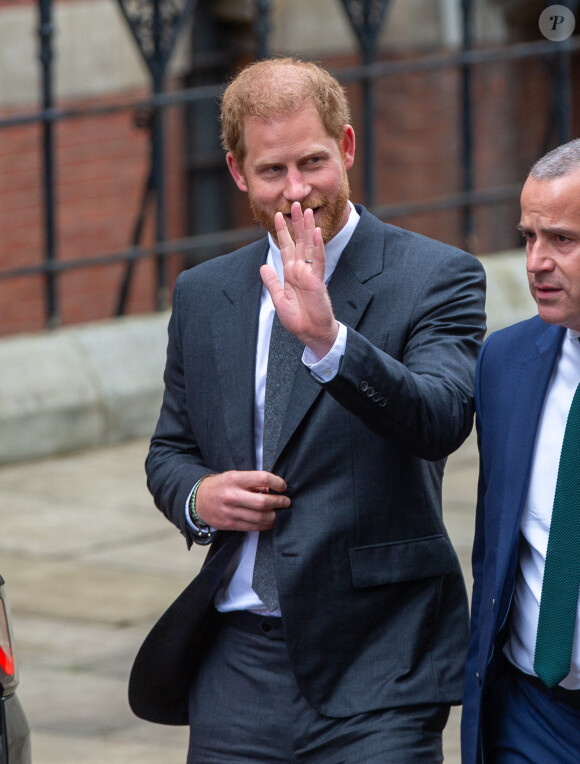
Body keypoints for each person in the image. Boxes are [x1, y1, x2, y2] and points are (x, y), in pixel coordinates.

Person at [129, 57, 486, 763]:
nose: (298, 191)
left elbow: (441, 419)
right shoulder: (204, 295)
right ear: (237, 172)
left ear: (347, 148)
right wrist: (200, 495)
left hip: (379, 661)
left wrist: (329, 341)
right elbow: (169, 451)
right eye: (272, 171)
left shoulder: (435, 277)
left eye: (314, 161)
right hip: (236, 667)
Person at [462, 138, 580, 764]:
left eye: (562, 240)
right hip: (532, 716)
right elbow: (497, 547)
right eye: (529, 236)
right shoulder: (504, 363)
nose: (536, 261)